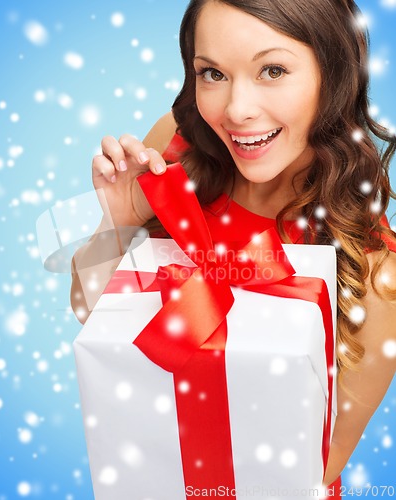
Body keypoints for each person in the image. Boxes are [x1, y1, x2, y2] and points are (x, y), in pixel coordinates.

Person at [71, 0, 396, 491]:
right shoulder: (175, 149)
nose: (237, 111)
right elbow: (87, 308)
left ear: (334, 75)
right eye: (212, 73)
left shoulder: (376, 277)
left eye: (272, 70)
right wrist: (119, 219)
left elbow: (312, 471)